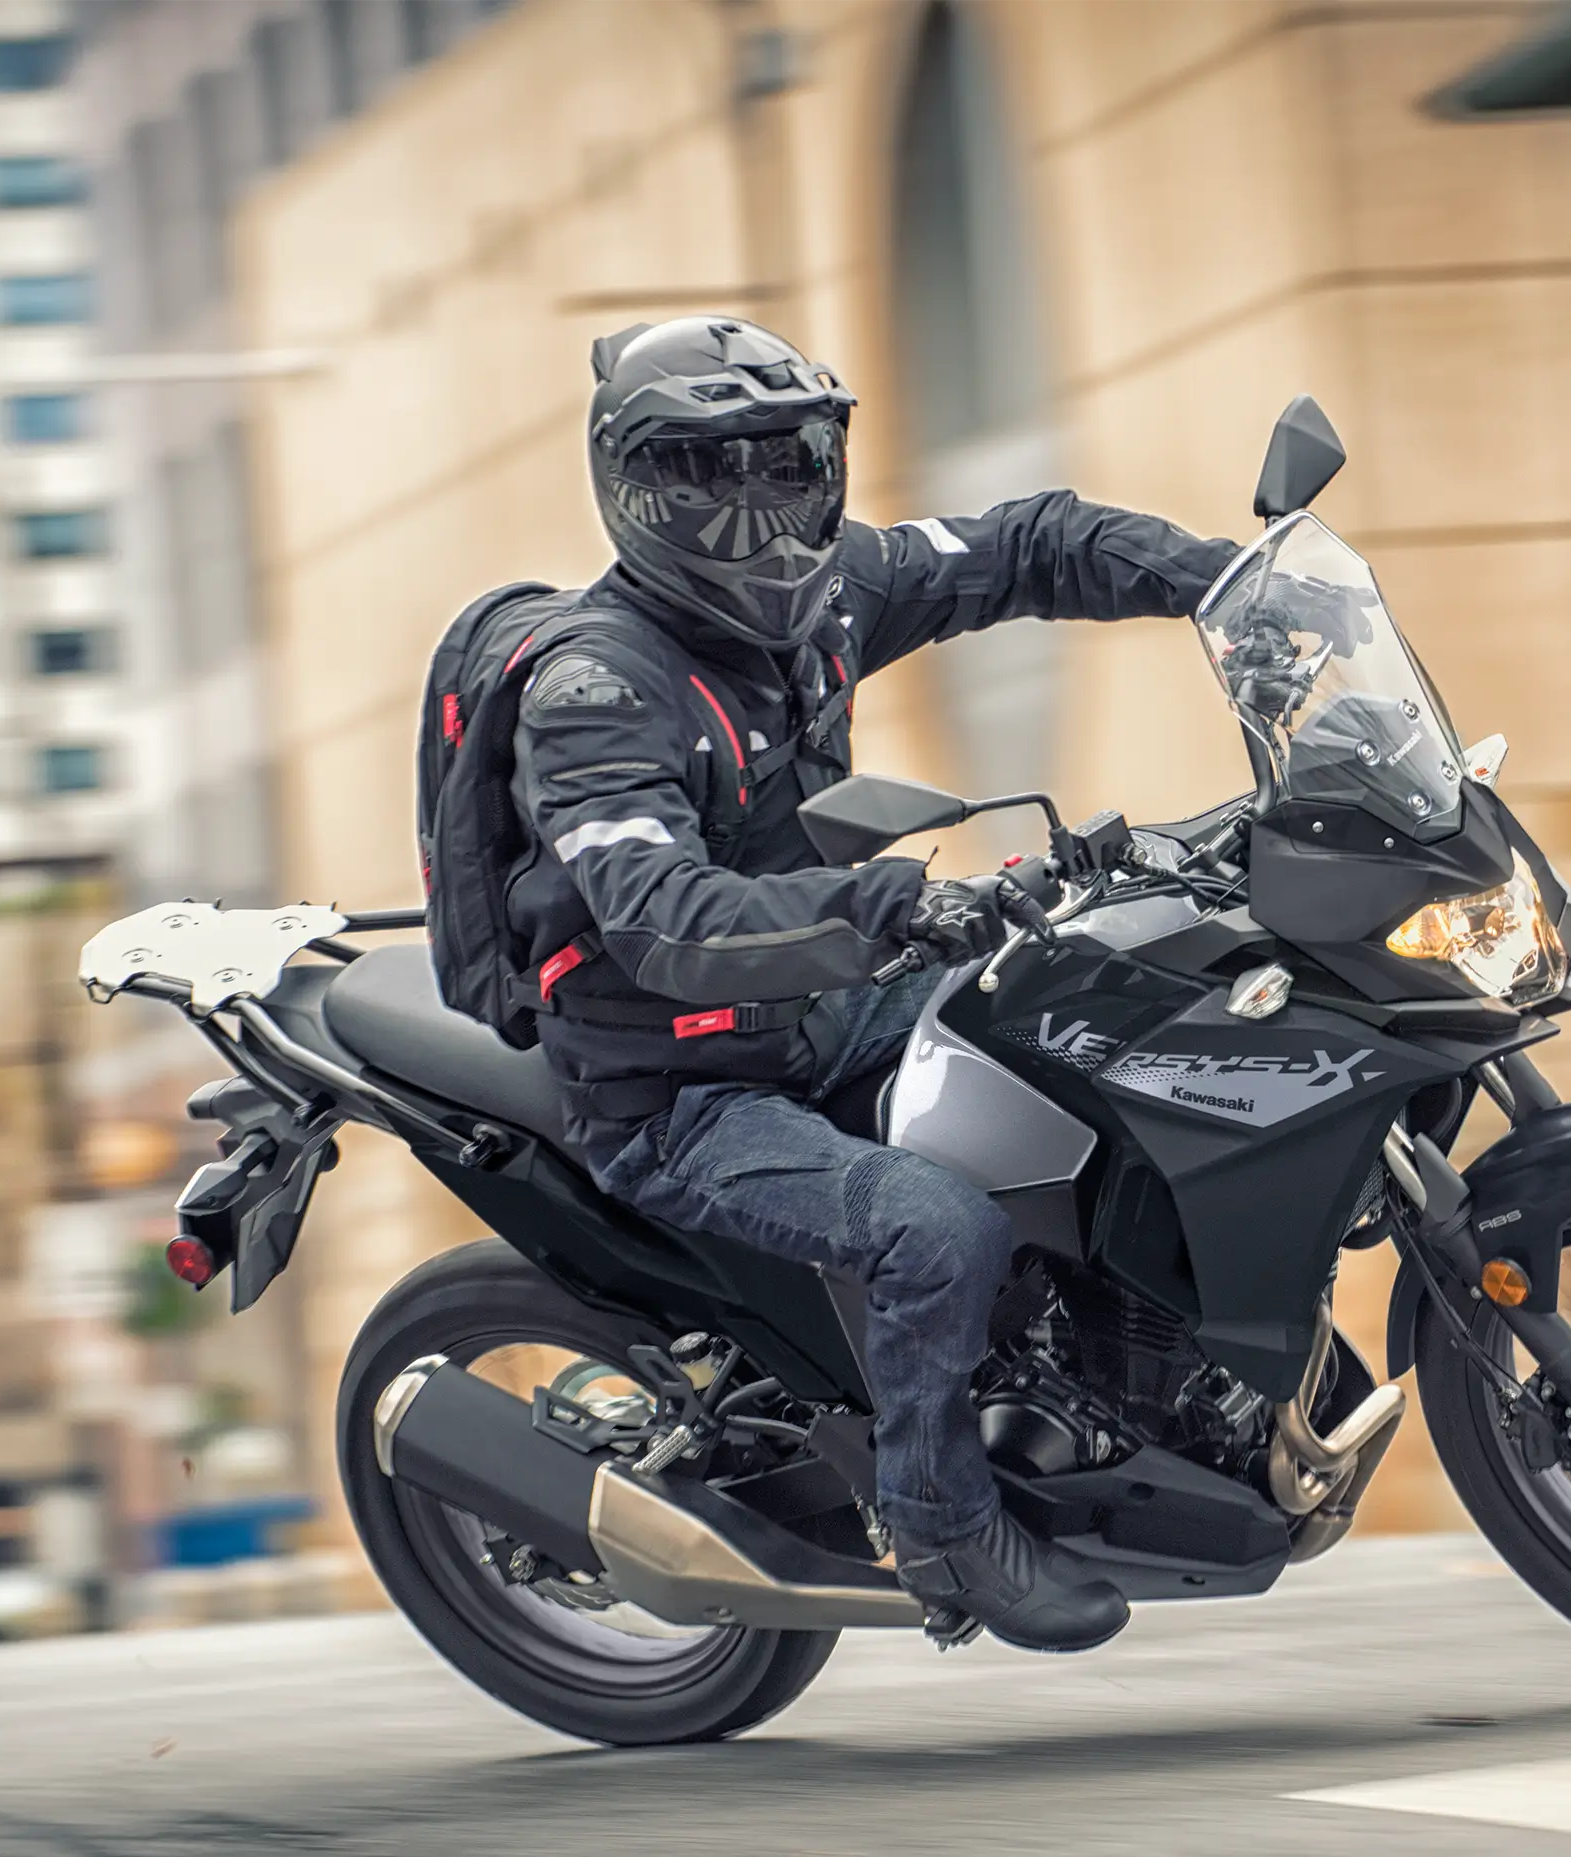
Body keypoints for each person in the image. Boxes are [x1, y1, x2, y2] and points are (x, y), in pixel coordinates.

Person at [504, 315, 1237, 1651]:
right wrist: (892, 906)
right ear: (635, 485)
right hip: (676, 1081)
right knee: (933, 1229)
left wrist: (1232, 586)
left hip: (829, 1002)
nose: (760, 515)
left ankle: (1130, 1372)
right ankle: (942, 1527)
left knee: (1108, 1011)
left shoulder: (833, 593)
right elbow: (662, 918)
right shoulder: (595, 693)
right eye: (710, 475)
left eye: (785, 466)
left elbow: (1029, 545)